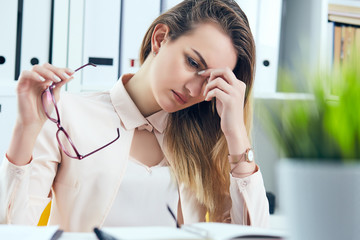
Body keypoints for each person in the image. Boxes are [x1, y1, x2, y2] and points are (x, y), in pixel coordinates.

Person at [0, 0, 269, 232]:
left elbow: (248, 236)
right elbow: (14, 229)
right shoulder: (68, 115)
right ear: (160, 38)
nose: (193, 89)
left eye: (210, 80)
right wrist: (26, 129)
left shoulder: (204, 140)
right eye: (192, 62)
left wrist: (237, 135)